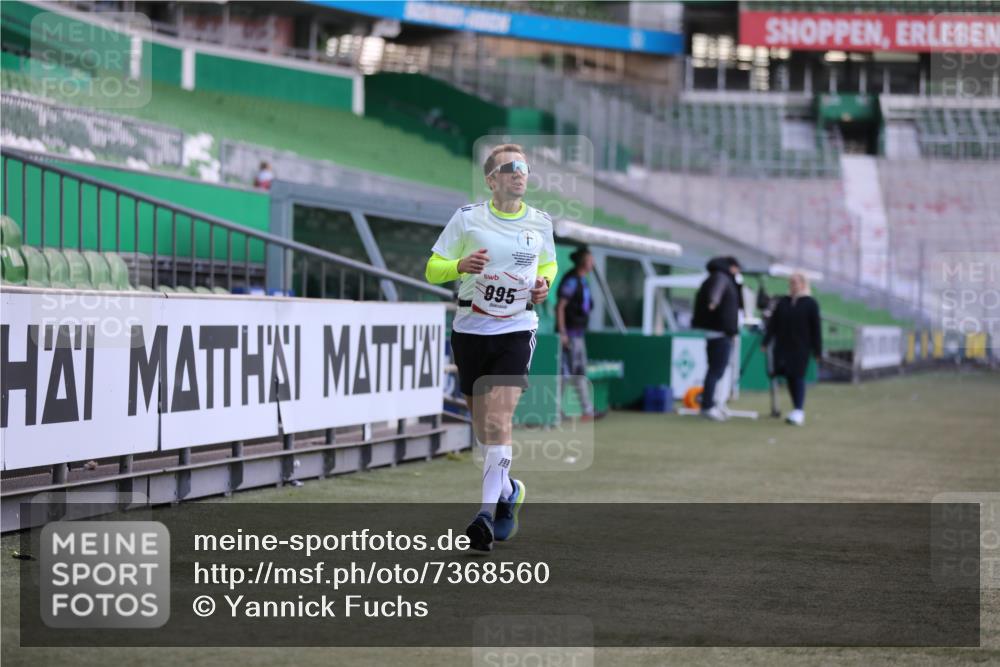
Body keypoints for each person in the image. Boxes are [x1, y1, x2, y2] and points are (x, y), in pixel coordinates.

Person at [424, 143, 557, 551]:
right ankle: (509, 490)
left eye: (525, 168)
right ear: (491, 179)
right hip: (470, 329)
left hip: (517, 328)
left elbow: (548, 264)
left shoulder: (540, 223)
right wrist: (459, 267)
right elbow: (432, 270)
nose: (520, 174)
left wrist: (543, 285)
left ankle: (484, 515)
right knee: (483, 429)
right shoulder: (467, 219)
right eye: (511, 167)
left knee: (500, 420)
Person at [763, 272, 822, 426]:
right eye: (791, 283)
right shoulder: (783, 301)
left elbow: (816, 328)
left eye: (795, 282)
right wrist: (766, 341)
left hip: (801, 347)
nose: (792, 286)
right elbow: (774, 324)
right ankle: (796, 408)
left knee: (798, 376)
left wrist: (817, 350)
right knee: (789, 377)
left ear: (803, 284)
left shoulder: (810, 303)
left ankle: (799, 409)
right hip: (783, 346)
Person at [691, 256, 743, 421]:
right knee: (716, 371)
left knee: (716, 370)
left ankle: (716, 403)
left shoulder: (714, 277)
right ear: (731, 267)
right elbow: (715, 296)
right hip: (720, 333)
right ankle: (708, 406)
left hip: (717, 332)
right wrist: (713, 302)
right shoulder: (721, 278)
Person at [556, 246, 595, 420]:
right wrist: (563, 333)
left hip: (579, 334)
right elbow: (560, 307)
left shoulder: (583, 281)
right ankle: (556, 410)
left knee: (578, 371)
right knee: (565, 374)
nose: (592, 263)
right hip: (569, 334)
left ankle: (587, 411)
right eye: (590, 259)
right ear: (583, 261)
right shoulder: (571, 281)